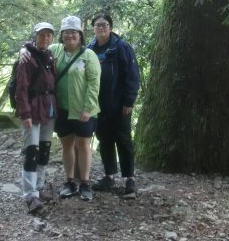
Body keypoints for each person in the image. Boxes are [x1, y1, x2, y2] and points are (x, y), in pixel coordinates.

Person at [49, 15, 101, 202]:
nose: (70, 35)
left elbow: (94, 84)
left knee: (83, 145)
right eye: (66, 32)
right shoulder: (55, 50)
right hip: (62, 109)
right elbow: (37, 50)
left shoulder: (89, 55)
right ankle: (70, 181)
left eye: (73, 32)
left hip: (84, 109)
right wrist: (24, 51)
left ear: (80, 35)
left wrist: (87, 108)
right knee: (67, 145)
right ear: (61, 34)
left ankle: (85, 183)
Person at [88, 13, 140, 198]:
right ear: (93, 28)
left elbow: (132, 75)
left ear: (110, 27)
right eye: (98, 25)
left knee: (124, 141)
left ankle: (130, 180)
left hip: (119, 105)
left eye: (105, 25)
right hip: (98, 105)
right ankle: (109, 175)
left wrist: (129, 101)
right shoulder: (89, 49)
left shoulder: (121, 47)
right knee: (105, 140)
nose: (101, 28)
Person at [16, 21, 57, 215]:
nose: (46, 38)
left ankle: (39, 187)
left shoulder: (49, 55)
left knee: (44, 151)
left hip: (48, 109)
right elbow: (21, 88)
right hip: (33, 109)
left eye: (49, 35)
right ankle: (30, 195)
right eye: (42, 35)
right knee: (32, 151)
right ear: (35, 36)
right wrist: (25, 114)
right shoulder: (27, 58)